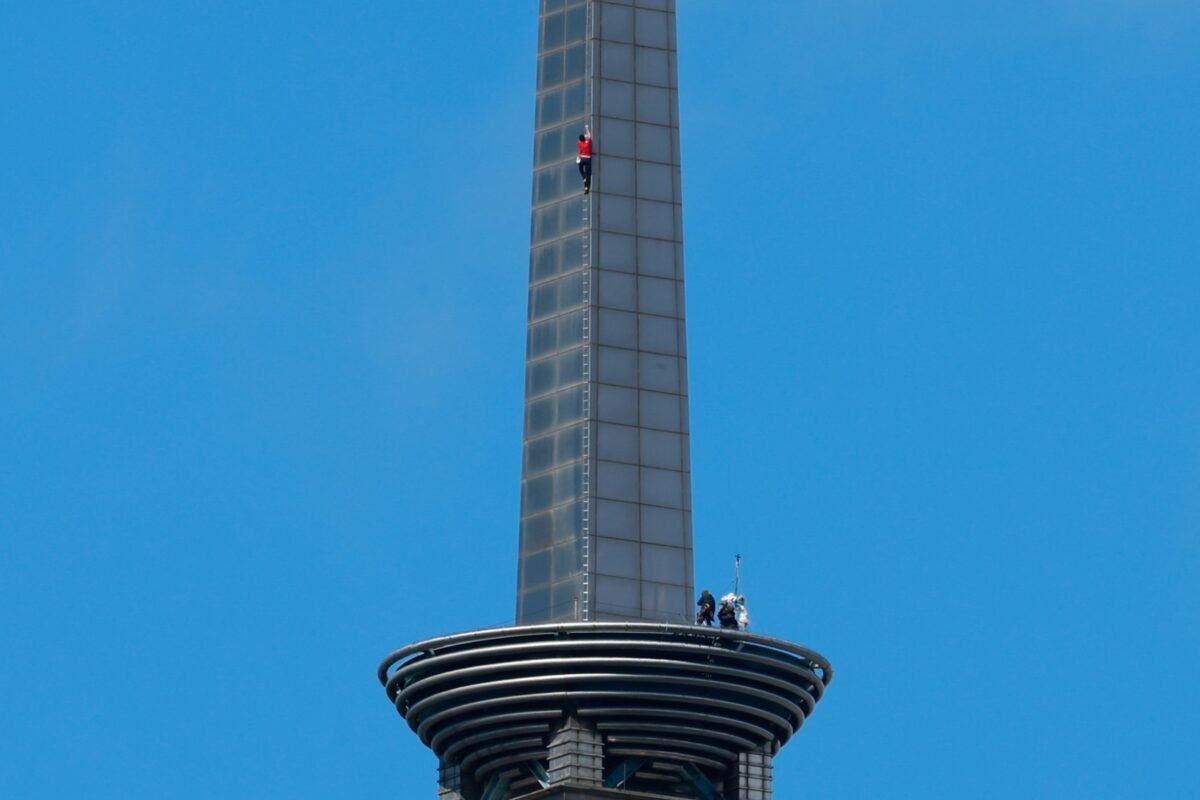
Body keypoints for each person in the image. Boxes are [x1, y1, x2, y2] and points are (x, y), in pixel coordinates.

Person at [576, 124, 593, 194]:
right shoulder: (587, 142)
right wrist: (587, 128)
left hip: (582, 158)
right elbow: (589, 135)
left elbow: (581, 139)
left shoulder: (579, 143)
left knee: (581, 169)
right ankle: (587, 187)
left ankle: (584, 178)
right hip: (588, 159)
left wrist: (584, 136)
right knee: (588, 173)